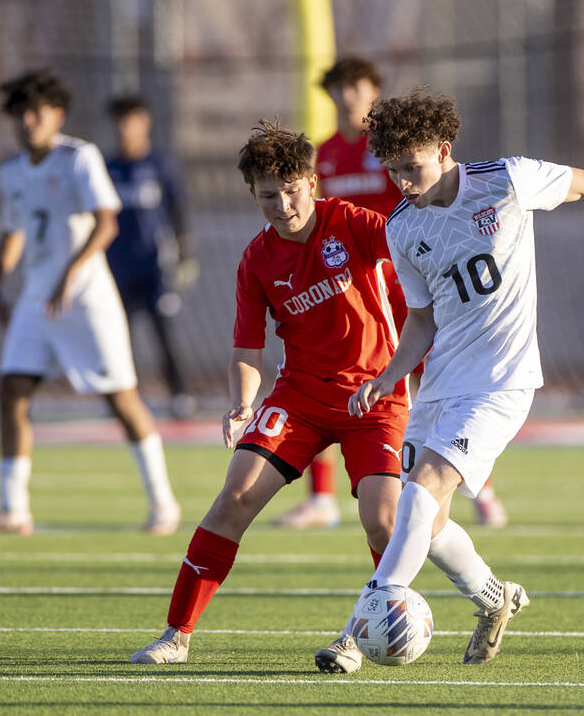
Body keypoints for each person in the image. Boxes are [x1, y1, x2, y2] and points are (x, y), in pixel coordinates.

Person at [342, 88, 584, 666]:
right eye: (394, 172)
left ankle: (366, 614)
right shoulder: (401, 228)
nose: (405, 182)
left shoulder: (507, 180)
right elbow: (421, 319)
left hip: (500, 381)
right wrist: (390, 377)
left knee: (424, 488)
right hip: (440, 384)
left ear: (444, 149)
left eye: (413, 168)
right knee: (427, 522)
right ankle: (493, 597)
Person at [130, 122, 405, 672]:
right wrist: (242, 404)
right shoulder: (257, 260)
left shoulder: (354, 223)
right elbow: (246, 348)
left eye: (291, 189)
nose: (282, 205)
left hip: (375, 395)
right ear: (251, 194)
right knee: (234, 496)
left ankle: (362, 634)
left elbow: (417, 248)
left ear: (312, 180)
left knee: (382, 520)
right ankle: (176, 636)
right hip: (300, 395)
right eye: (267, 195)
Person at [276, 56, 508, 530]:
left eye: (357, 87)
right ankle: (321, 497)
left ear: (373, 91)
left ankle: (480, 486)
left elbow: (422, 201)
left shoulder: (393, 149)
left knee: (437, 380)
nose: (348, 96)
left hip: (409, 278)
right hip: (353, 289)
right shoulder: (324, 155)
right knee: (322, 376)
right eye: (339, 88)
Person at [0, 70, 180, 537]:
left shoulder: (80, 158)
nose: (26, 122)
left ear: (56, 115)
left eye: (35, 113)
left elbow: (107, 223)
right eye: (19, 114)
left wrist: (71, 274)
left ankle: (163, 504)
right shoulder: (11, 171)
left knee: (120, 398)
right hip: (38, 298)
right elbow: (13, 231)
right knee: (11, 391)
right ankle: (12, 510)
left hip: (86, 298)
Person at [104, 95, 197, 419]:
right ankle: (122, 399)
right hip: (117, 267)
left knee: (163, 330)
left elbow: (177, 209)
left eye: (131, 119)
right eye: (119, 121)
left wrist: (184, 254)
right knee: (117, 335)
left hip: (155, 266)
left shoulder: (159, 165)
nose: (125, 128)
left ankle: (179, 394)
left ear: (145, 122)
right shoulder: (106, 167)